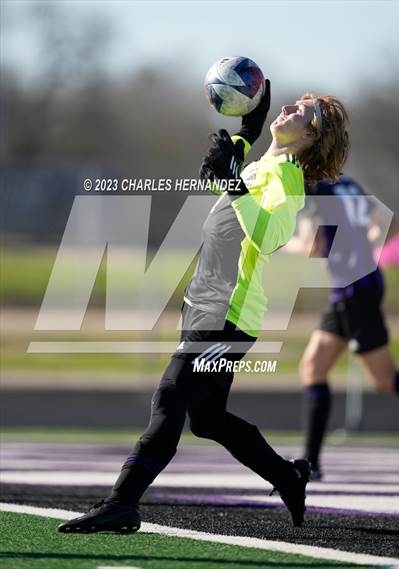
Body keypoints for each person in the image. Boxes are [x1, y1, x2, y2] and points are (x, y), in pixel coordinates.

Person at [58, 81, 350, 533]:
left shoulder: (286, 176)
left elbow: (271, 236)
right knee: (208, 419)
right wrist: (243, 134)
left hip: (227, 318)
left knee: (170, 397)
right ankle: (288, 475)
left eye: (302, 113)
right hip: (206, 308)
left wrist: (231, 180)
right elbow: (235, 175)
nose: (290, 107)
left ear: (310, 138)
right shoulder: (263, 165)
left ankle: (122, 502)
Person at [282, 176, 399, 480]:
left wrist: (274, 243)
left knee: (385, 379)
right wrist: (362, 247)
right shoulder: (348, 184)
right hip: (356, 288)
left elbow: (313, 245)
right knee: (313, 367)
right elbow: (390, 224)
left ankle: (311, 462)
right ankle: (311, 462)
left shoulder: (315, 191)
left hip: (353, 293)